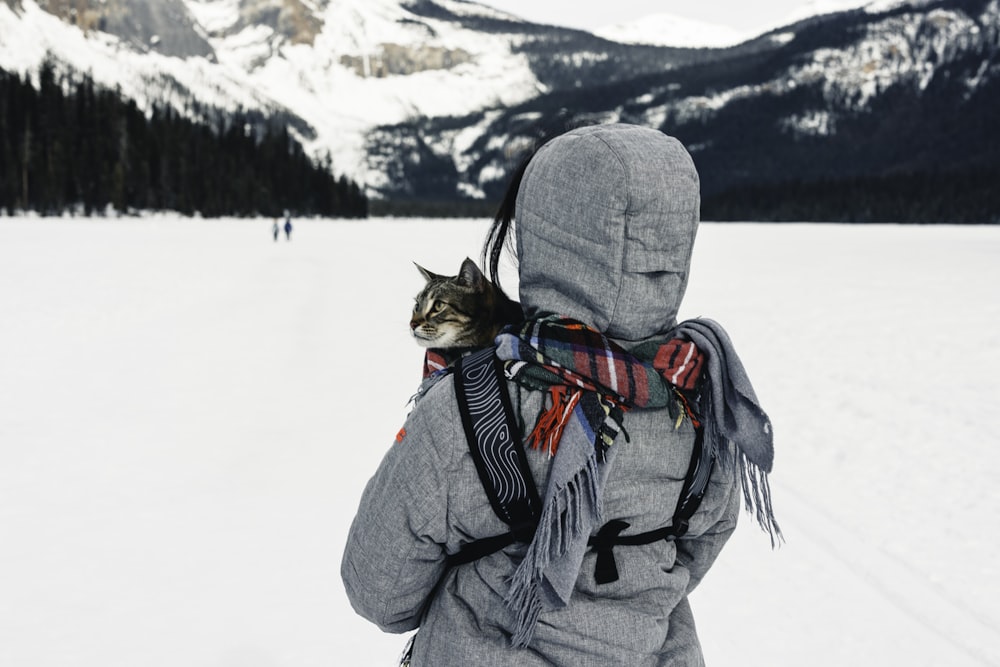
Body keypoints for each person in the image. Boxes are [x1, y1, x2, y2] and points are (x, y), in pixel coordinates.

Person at [341, 123, 779, 665]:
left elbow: (378, 588)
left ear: (545, 233)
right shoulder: (702, 393)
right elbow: (699, 546)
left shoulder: (474, 402)